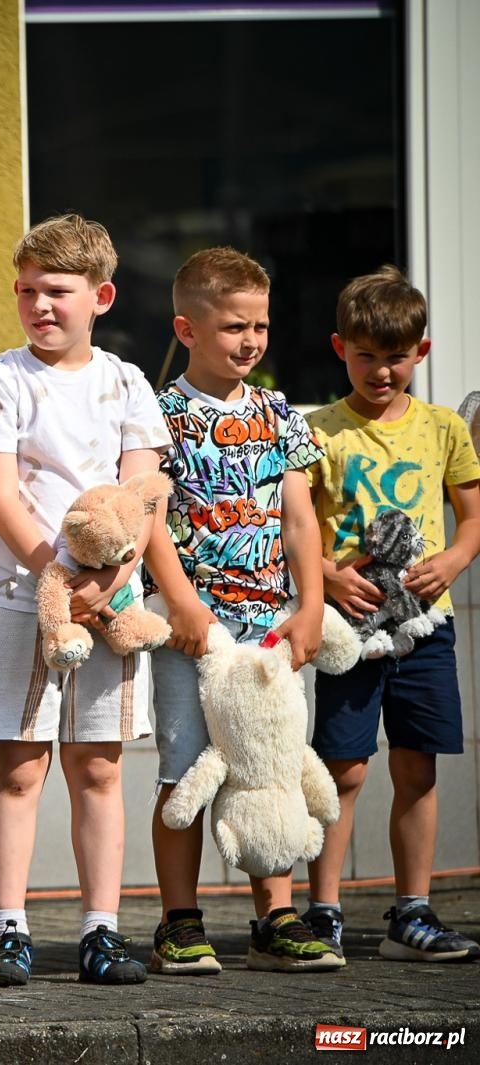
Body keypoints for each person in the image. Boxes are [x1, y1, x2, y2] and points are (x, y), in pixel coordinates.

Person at [0, 214, 170, 986]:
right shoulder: (1, 380)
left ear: (100, 297)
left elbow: (144, 495)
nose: (39, 304)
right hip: (22, 603)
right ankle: (9, 928)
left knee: (99, 769)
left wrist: (107, 583)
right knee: (19, 769)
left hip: (112, 610)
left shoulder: (126, 383)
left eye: (57, 290)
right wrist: (58, 578)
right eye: (26, 290)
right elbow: (0, 495)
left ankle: (100, 930)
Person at [141, 248, 342, 974]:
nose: (251, 340)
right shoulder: (158, 415)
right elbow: (149, 516)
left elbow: (299, 518)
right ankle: (179, 921)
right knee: (185, 769)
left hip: (269, 629)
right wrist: (182, 604)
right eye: (234, 326)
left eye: (259, 325)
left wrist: (311, 604)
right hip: (192, 631)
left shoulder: (278, 413)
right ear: (187, 329)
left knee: (271, 765)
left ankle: (275, 917)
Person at [304, 266, 480, 964]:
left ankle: (411, 913)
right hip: (348, 631)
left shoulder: (443, 428)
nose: (381, 370)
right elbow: (293, 527)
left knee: (417, 767)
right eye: (366, 355)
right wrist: (326, 576)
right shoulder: (317, 431)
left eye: (397, 356)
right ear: (339, 348)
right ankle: (323, 913)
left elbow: (472, 519)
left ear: (422, 351)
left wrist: (455, 560)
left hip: (426, 627)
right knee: (341, 769)